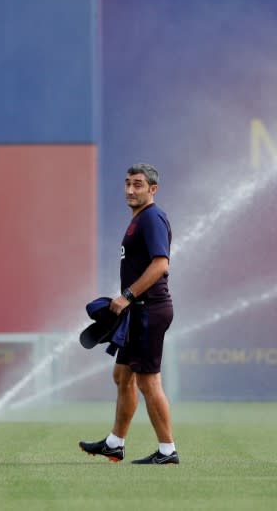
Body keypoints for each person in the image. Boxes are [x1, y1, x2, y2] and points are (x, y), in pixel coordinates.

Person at [79, 163, 179, 465]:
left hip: (149, 310)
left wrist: (128, 295)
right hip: (137, 311)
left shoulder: (152, 218)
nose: (130, 190)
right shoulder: (139, 219)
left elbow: (161, 264)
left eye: (137, 184)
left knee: (149, 382)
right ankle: (115, 443)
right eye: (127, 183)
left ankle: (167, 451)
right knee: (122, 376)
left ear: (153, 189)